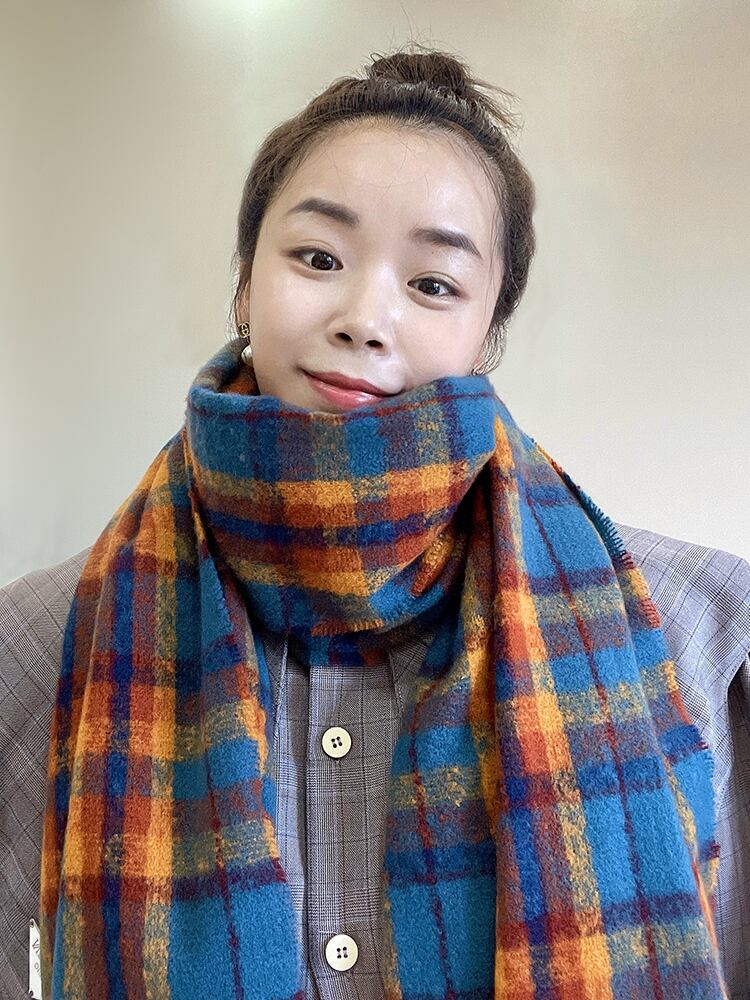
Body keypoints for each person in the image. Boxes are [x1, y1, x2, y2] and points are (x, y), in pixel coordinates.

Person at [1, 44, 745, 1000]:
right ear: (244, 282)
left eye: (433, 284)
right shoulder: (36, 648)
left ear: (487, 333)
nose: (364, 316)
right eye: (319, 258)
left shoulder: (706, 638)